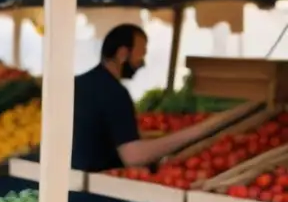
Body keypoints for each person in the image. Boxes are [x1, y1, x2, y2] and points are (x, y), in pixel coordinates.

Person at [71, 24, 225, 173]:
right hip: (96, 190)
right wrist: (194, 134)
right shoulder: (114, 93)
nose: (143, 63)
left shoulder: (78, 84)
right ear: (123, 54)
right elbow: (133, 156)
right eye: (141, 54)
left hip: (67, 185)